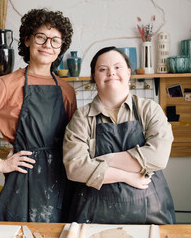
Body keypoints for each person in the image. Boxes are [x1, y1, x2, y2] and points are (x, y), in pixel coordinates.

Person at [0, 8, 77, 222]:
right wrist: (0, 164)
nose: (48, 45)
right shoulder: (6, 84)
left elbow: (74, 140)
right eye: (41, 37)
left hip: (63, 180)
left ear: (61, 48)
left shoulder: (66, 90)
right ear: (28, 40)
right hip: (24, 181)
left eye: (55, 41)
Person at [62, 46, 175, 224]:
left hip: (150, 215)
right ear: (94, 77)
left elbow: (158, 157)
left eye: (117, 67)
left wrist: (108, 159)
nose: (111, 73)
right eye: (102, 69)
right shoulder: (82, 118)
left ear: (128, 73)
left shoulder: (149, 110)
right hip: (94, 216)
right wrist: (127, 176)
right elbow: (75, 168)